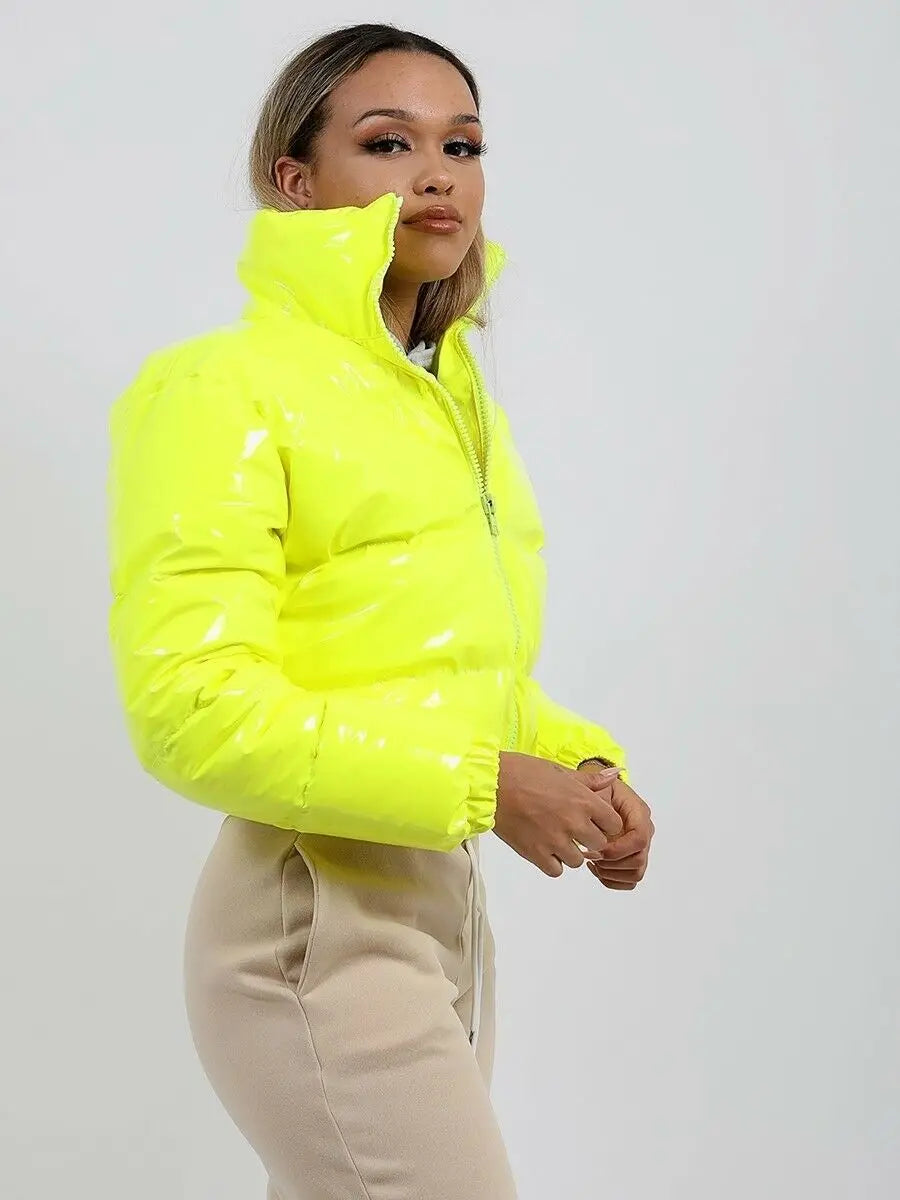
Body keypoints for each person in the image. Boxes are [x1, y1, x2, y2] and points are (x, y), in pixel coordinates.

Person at [107, 21, 655, 1200]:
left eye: (463, 144)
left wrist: (580, 765)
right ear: (296, 181)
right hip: (316, 924)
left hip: (440, 915)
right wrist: (489, 787)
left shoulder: (448, 397)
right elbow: (190, 709)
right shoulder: (219, 388)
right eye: (388, 142)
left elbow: (448, 673)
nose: (438, 173)